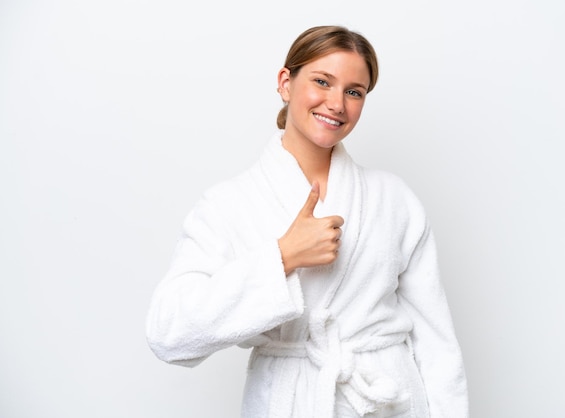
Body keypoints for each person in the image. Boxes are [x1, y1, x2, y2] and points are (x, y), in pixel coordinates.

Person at [146, 25, 468, 418]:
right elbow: (169, 334)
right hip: (288, 401)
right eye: (322, 81)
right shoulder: (227, 205)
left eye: (354, 91)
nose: (337, 103)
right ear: (286, 82)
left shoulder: (394, 199)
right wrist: (281, 257)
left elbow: (437, 344)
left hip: (387, 400)